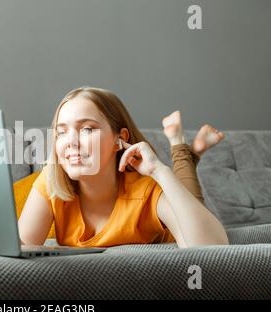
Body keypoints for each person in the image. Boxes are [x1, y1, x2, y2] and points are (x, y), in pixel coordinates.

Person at [18, 87, 228, 248]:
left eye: (87, 129)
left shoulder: (146, 191)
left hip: (179, 216)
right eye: (61, 132)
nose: (70, 142)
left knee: (189, 195)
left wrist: (159, 171)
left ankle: (180, 147)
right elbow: (19, 248)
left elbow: (213, 250)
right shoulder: (51, 183)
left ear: (120, 139)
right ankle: (189, 151)